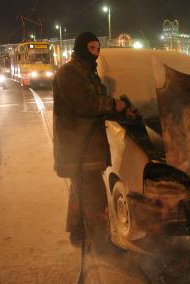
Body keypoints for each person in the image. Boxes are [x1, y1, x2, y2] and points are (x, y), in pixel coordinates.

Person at [52, 32, 126, 246]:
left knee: (79, 193)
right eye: (91, 48)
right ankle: (100, 244)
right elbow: (86, 104)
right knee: (95, 197)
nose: (96, 53)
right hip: (78, 149)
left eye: (97, 48)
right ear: (81, 49)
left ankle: (77, 233)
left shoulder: (88, 73)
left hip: (86, 147)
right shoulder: (69, 73)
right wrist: (113, 105)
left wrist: (120, 111)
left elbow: (97, 104)